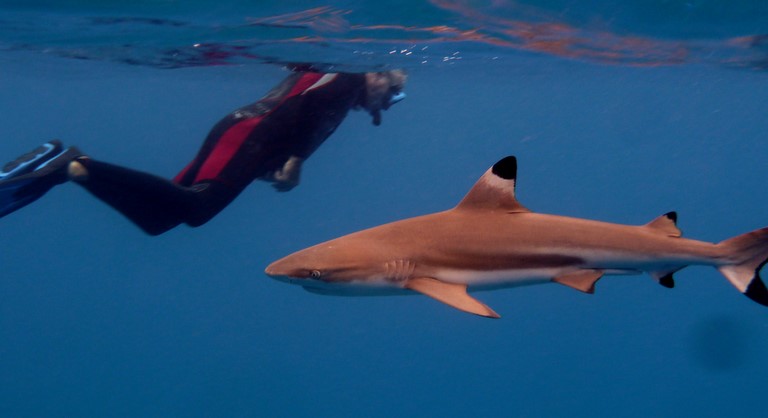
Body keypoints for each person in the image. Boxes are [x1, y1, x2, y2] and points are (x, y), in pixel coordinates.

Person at [0, 69, 407, 235]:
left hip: (247, 136)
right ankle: (73, 162)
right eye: (392, 91)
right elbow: (308, 108)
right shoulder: (348, 75)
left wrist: (272, 164)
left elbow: (301, 114)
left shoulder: (347, 88)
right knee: (196, 209)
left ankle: (74, 170)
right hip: (250, 133)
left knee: (160, 221)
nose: (388, 103)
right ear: (378, 74)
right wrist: (296, 161)